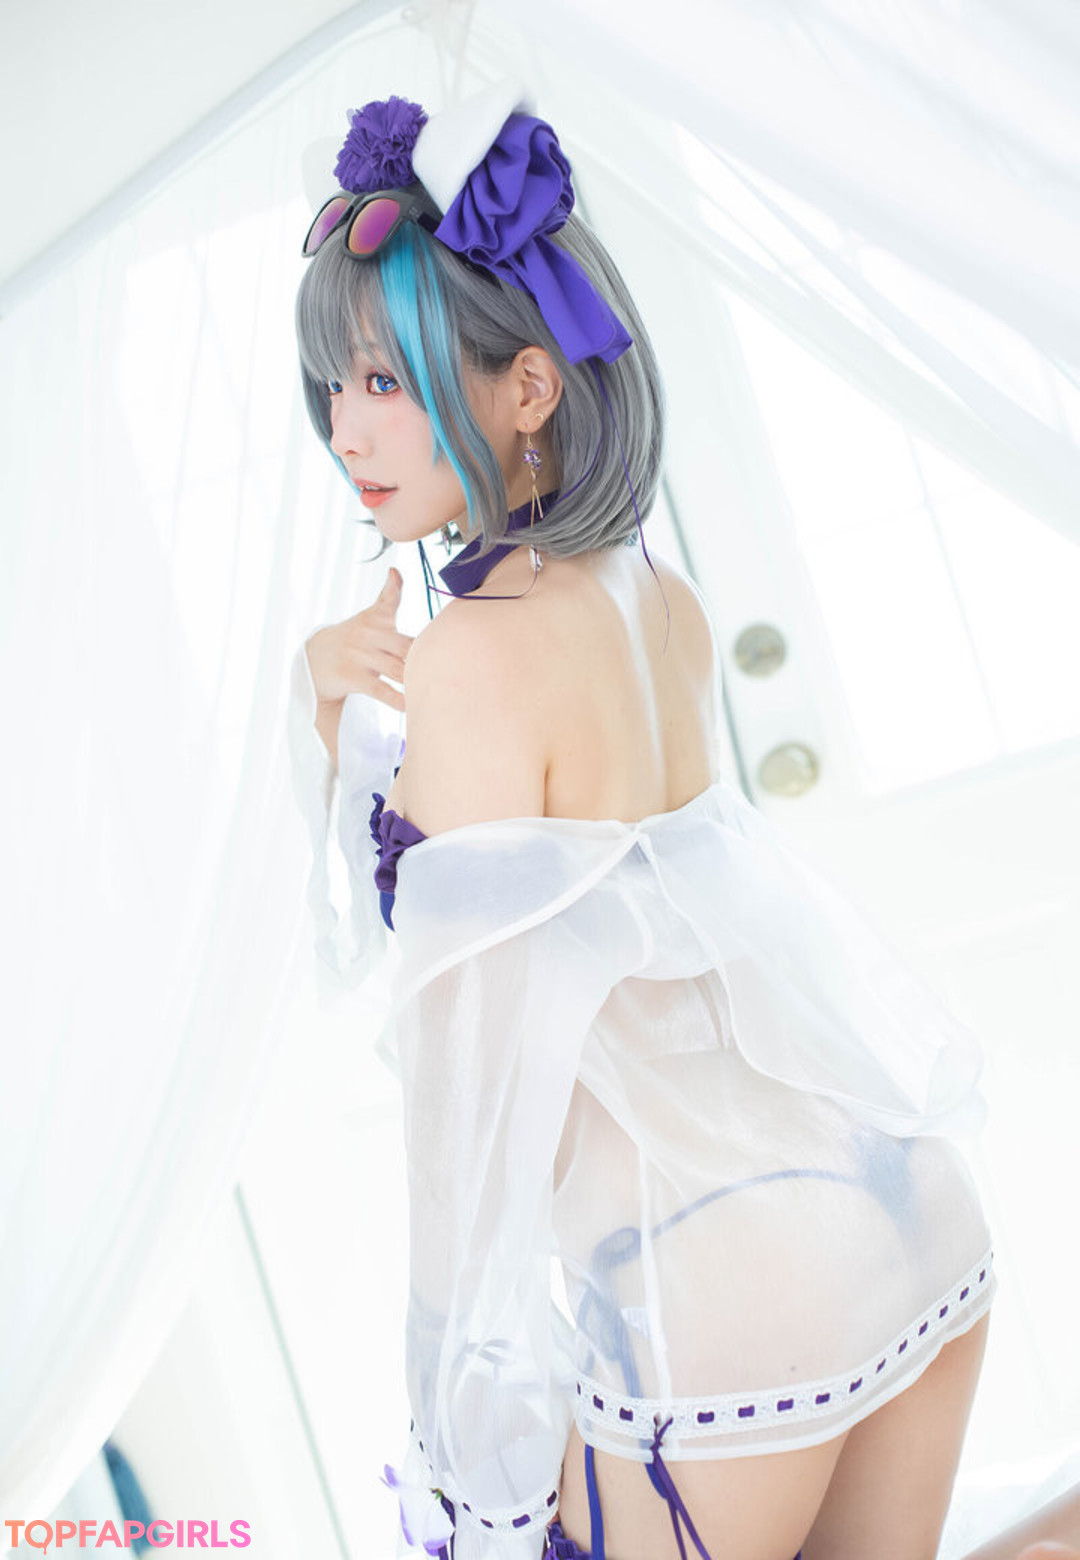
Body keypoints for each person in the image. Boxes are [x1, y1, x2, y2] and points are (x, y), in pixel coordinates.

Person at [285, 79, 1028, 1560]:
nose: (346, 432)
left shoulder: (474, 656)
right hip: (900, 1203)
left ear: (530, 387)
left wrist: (464, 1432)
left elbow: (470, 1099)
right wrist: (341, 713)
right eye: (333, 387)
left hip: (723, 1284)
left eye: (383, 380)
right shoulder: (658, 599)